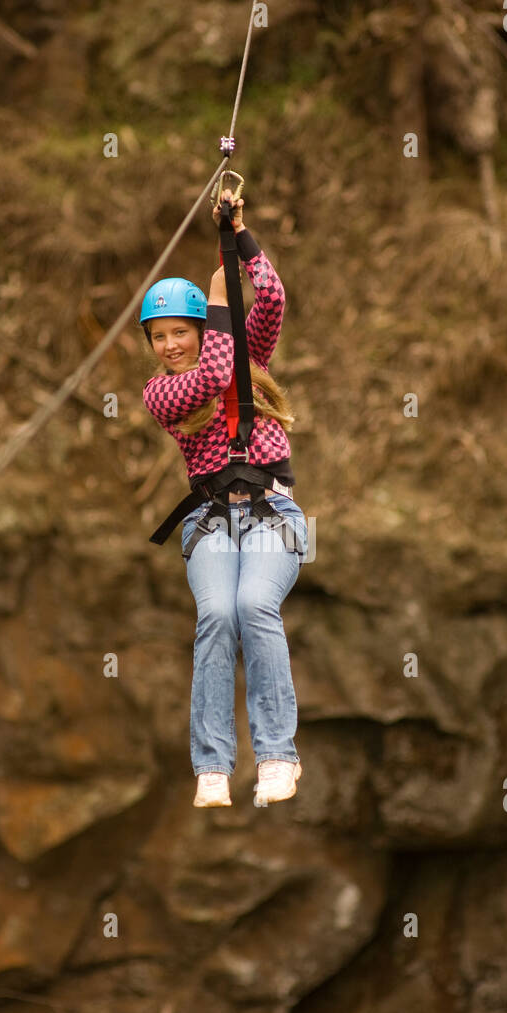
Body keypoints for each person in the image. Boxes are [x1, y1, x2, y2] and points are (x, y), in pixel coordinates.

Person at [141, 190, 307, 810]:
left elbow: (272, 299)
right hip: (212, 522)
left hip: (271, 516)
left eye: (179, 332)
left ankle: (276, 758)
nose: (169, 346)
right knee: (216, 616)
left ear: (200, 329)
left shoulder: (249, 356)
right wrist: (215, 299)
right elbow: (210, 377)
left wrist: (239, 237)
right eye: (158, 337)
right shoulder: (162, 394)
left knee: (253, 605)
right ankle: (212, 766)